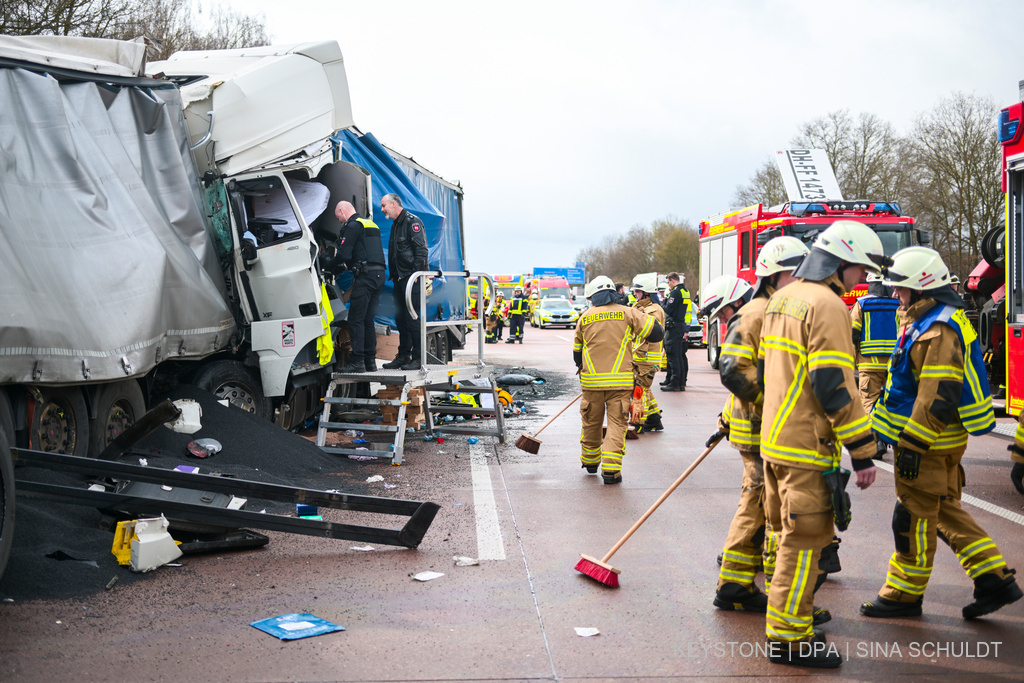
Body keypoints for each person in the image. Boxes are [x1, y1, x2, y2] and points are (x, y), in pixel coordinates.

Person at [862, 247, 1021, 621]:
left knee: (913, 519)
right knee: (946, 512)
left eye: (901, 288)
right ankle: (994, 579)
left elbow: (937, 394)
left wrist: (914, 444)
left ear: (921, 288)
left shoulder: (937, 329)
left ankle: (902, 594)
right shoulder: (930, 318)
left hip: (927, 443)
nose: (895, 294)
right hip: (938, 441)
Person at [758, 220, 883, 668]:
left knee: (785, 535)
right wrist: (863, 449)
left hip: (774, 442)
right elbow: (833, 382)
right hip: (805, 448)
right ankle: (790, 639)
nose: (863, 281)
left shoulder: (783, 299)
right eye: (861, 270)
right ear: (841, 262)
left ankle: (792, 623)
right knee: (805, 542)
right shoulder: (826, 304)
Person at [705, 237, 809, 614]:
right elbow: (734, 372)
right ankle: (770, 593)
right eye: (795, 272)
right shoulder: (760, 313)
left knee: (759, 501)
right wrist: (777, 401)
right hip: (765, 428)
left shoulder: (774, 308)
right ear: (777, 274)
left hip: (765, 426)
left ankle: (737, 584)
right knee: (767, 506)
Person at [574, 275, 662, 484]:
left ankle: (590, 462)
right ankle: (611, 472)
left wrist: (585, 368)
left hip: (592, 383)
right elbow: (657, 332)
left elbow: (577, 354)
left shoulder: (584, 317)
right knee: (616, 424)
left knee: (591, 422)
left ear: (593, 297)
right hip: (620, 383)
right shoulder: (629, 313)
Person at [332, 201, 386, 373]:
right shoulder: (371, 224)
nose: (340, 221)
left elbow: (344, 253)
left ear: (341, 211)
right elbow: (367, 251)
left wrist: (331, 266)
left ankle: (357, 362)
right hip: (379, 276)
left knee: (356, 319)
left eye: (338, 217)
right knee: (367, 320)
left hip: (365, 277)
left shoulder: (353, 225)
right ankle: (370, 362)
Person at [850, 273, 899, 459]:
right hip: (895, 365)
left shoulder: (862, 304)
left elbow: (852, 333)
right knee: (892, 402)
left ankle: (875, 440)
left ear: (870, 284)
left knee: (868, 401)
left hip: (869, 363)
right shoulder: (898, 304)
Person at [381, 193, 428, 371]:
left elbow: (421, 251)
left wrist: (415, 277)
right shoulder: (396, 224)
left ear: (394, 204)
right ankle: (403, 356)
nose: (382, 209)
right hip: (400, 279)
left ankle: (418, 358)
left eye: (384, 205)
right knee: (400, 318)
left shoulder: (411, 222)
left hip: (411, 279)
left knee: (412, 318)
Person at [629, 274, 666, 434]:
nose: (635, 294)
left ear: (646, 293)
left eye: (637, 291)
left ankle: (638, 423)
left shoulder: (654, 311)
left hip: (647, 359)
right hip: (638, 357)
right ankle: (654, 419)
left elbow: (648, 333)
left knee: (640, 390)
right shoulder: (638, 308)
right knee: (645, 389)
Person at [661, 272, 692, 391]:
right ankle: (680, 382)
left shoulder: (675, 292)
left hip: (673, 327)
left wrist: (662, 303)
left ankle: (674, 383)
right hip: (680, 325)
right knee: (679, 356)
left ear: (673, 280)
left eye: (668, 282)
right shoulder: (685, 291)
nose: (668, 284)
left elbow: (668, 309)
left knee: (673, 355)